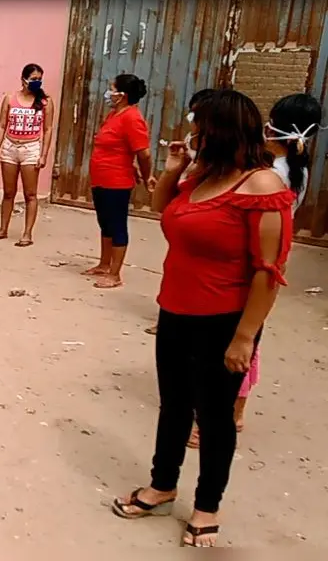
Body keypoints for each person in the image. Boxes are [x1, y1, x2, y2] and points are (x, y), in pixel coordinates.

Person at [112, 90, 295, 548]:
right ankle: (162, 485)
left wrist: (245, 337)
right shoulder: (202, 176)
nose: (192, 135)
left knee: (214, 420)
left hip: (223, 320)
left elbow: (267, 272)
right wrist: (175, 170)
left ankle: (207, 506)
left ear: (220, 131)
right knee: (173, 405)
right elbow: (159, 208)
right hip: (175, 308)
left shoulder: (262, 188)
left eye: (199, 128)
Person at [186, 92, 322, 449]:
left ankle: (232, 411)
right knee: (243, 336)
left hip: (256, 260)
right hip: (268, 254)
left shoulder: (269, 175)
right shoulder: (296, 167)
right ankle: (229, 408)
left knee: (243, 340)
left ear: (274, 125)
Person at [146, 87, 217, 338]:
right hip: (181, 260)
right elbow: (159, 205)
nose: (191, 126)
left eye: (195, 119)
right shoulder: (191, 163)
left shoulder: (231, 181)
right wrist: (173, 169)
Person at [81, 74, 153, 289]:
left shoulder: (132, 118)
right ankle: (104, 264)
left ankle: (115, 273)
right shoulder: (114, 115)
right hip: (101, 178)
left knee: (117, 225)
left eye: (111, 89)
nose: (108, 93)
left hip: (117, 181)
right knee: (105, 223)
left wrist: (146, 173)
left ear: (122, 95)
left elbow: (144, 153)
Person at [0, 63, 55, 246]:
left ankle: (27, 233)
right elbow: (2, 125)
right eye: (33, 79)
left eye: (39, 79)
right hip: (10, 146)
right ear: (23, 79)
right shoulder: (10, 99)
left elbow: (48, 129)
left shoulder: (45, 102)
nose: (37, 82)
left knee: (30, 194)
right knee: (8, 192)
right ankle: (3, 229)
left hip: (31, 148)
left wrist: (43, 155)